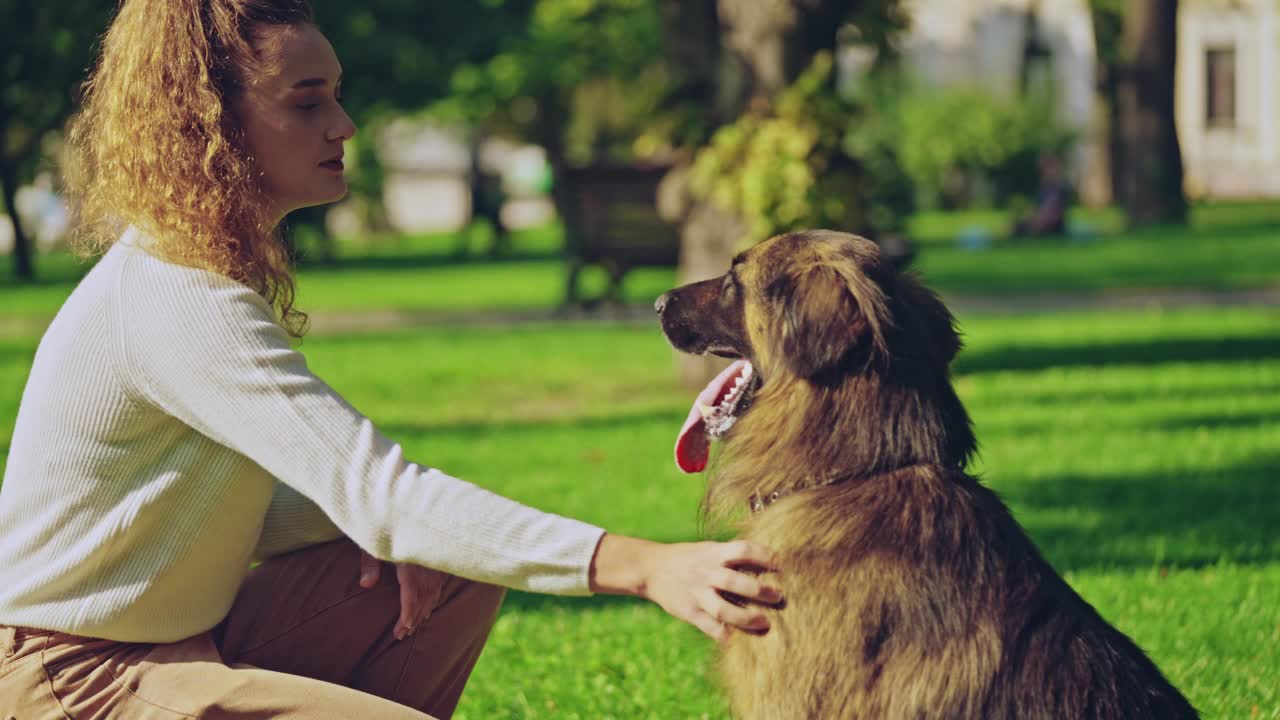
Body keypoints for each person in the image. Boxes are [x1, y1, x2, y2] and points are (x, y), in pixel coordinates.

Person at [0, 1, 781, 718]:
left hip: (180, 646)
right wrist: (648, 566)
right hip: (71, 680)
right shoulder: (177, 298)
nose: (343, 125)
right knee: (415, 533)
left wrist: (391, 537)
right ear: (206, 123)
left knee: (452, 564)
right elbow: (381, 495)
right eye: (307, 103)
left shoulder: (197, 273)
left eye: (337, 95)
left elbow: (207, 506)